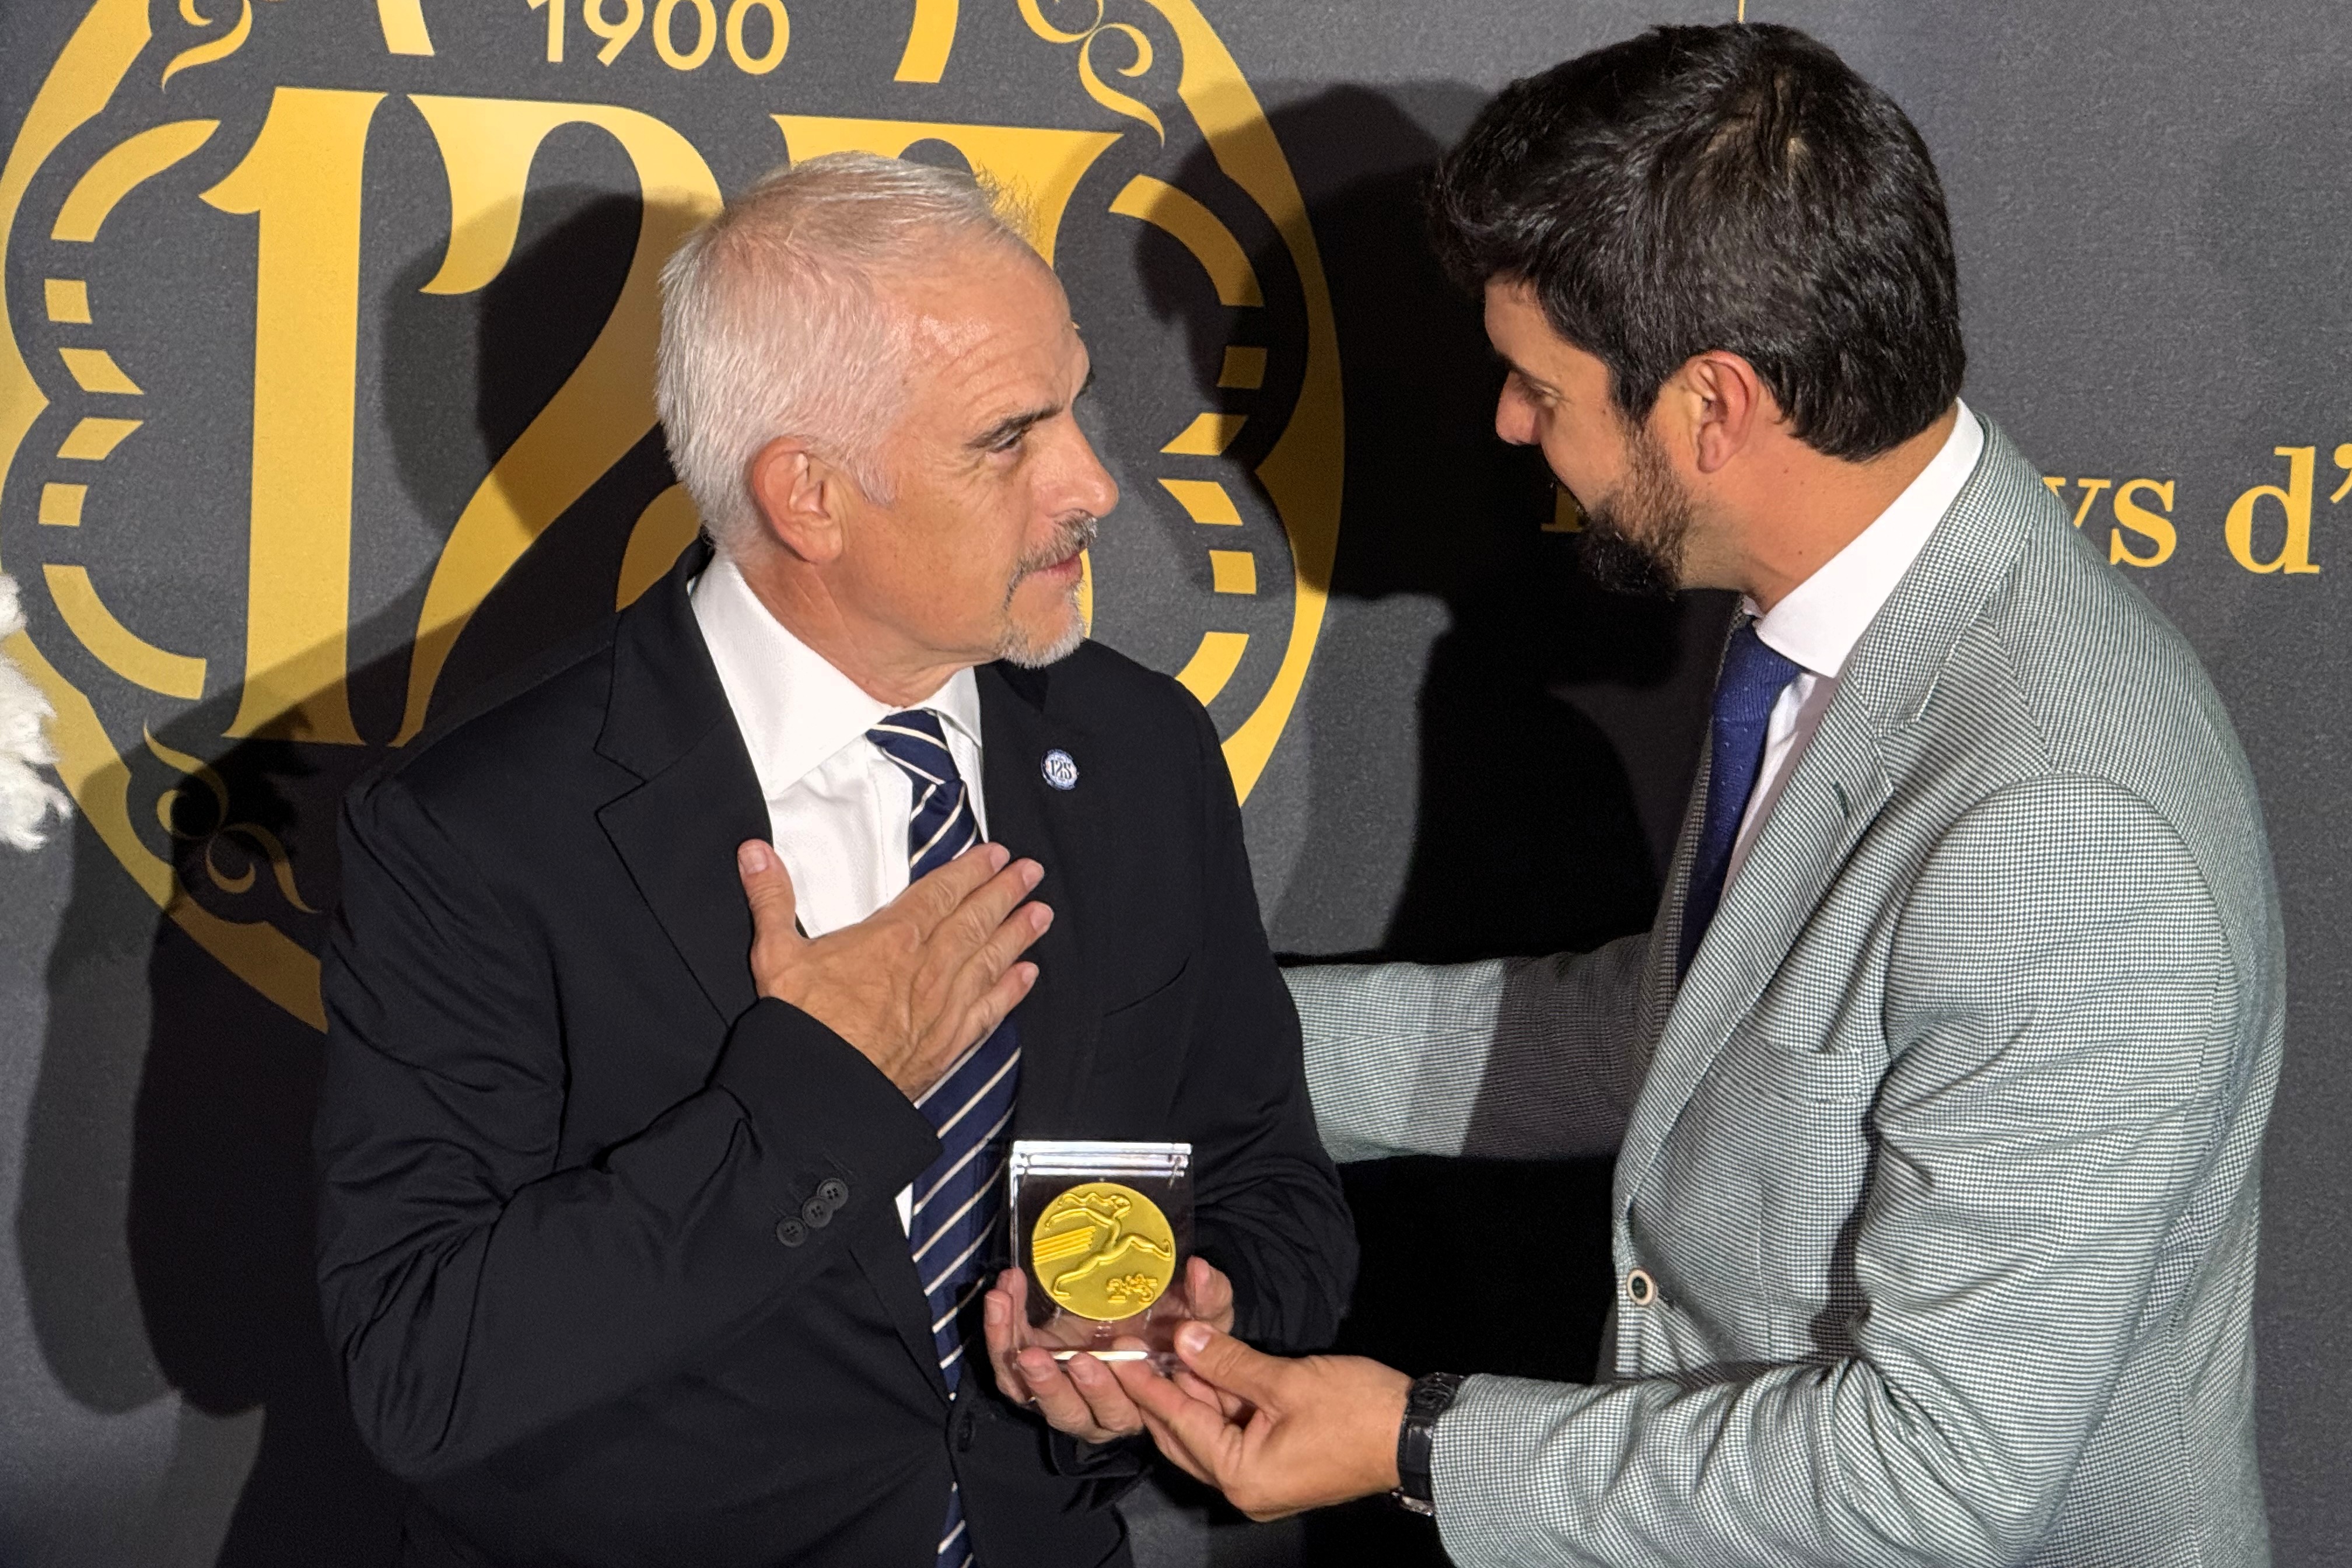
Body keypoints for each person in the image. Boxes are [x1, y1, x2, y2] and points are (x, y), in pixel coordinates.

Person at [1096, 24, 2284, 1567]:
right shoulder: (1852, 621)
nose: (1513, 428)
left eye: (1539, 385)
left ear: (1714, 408)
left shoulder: (2064, 835)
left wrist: (1414, 1439)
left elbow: (1929, 1479)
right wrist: (1160, 1047)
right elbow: (1706, 1044)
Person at [314, 153, 1354, 1568]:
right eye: (1008, 437)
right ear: (808, 497)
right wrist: (818, 1095)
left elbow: (1272, 1187)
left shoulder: (1138, 753)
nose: (1093, 482)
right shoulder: (482, 832)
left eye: (1077, 402)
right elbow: (426, 1371)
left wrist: (1194, 1324)